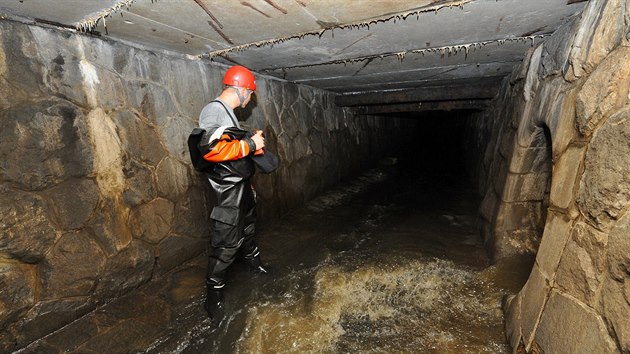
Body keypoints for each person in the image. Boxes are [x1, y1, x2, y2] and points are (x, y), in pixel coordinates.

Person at [198, 65, 270, 324]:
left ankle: (254, 264)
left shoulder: (227, 113)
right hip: (226, 191)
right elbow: (209, 149)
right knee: (226, 244)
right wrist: (249, 144)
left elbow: (228, 145)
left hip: (240, 186)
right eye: (250, 94)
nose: (250, 99)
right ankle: (213, 296)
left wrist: (250, 143)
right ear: (240, 90)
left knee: (248, 228)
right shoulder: (213, 110)